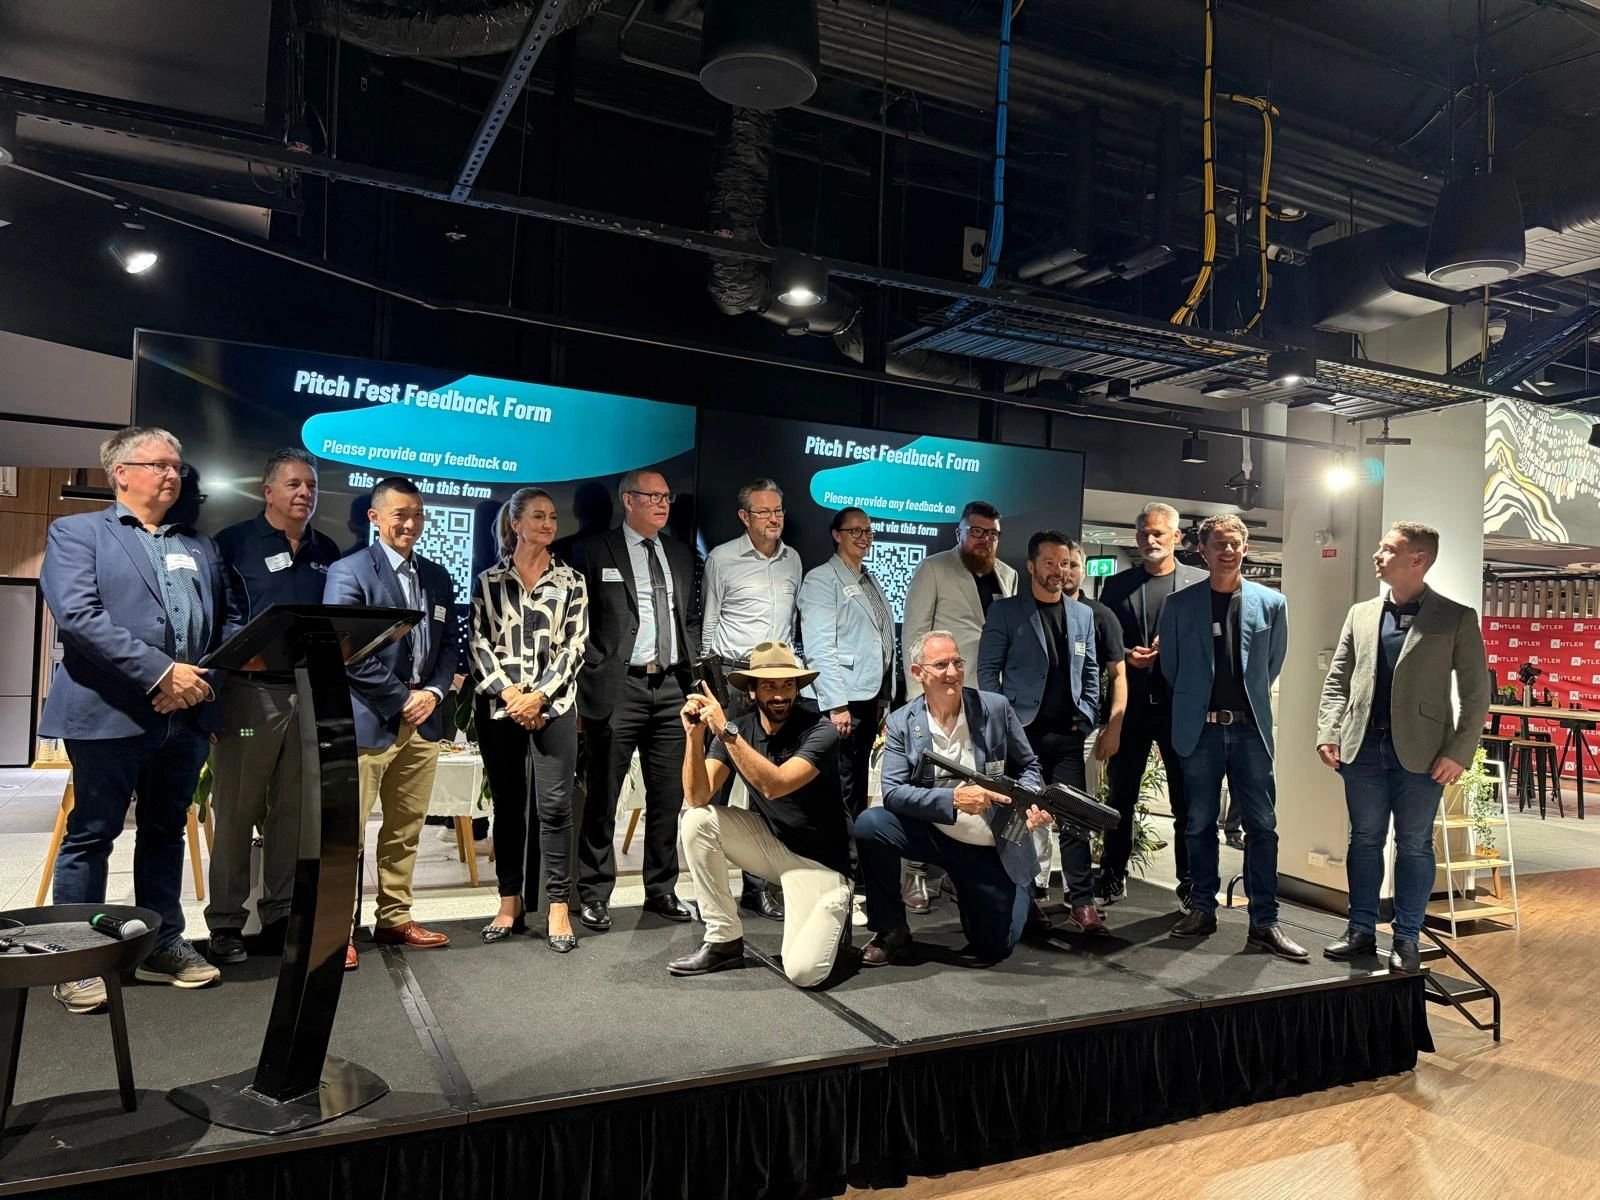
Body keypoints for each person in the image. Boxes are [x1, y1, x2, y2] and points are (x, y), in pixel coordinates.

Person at [40, 426, 228, 1011]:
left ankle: (161, 944)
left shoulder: (199, 545)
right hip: (108, 711)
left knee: (165, 832)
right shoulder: (77, 533)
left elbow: (228, 622)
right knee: (92, 833)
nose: (173, 474)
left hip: (185, 716)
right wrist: (161, 674)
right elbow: (79, 616)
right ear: (121, 473)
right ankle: (77, 959)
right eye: (159, 464)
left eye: (177, 466)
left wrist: (196, 682)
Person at [1317, 522, 1491, 973]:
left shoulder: (1455, 617)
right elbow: (1337, 679)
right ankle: (1360, 929)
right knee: (1364, 840)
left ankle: (1407, 937)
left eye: (1388, 549)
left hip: (1424, 753)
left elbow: (1476, 693)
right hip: (1362, 747)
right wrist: (1328, 731)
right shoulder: (1361, 614)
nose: (1378, 555)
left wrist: (1459, 751)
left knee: (1414, 844)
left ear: (1418, 559)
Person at [204, 448, 341, 964]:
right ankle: (225, 922)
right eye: (293, 484)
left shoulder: (327, 550)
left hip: (307, 691)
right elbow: (217, 618)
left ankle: (281, 913)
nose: (304, 493)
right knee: (236, 812)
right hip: (249, 696)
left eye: (311, 485)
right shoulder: (234, 544)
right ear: (267, 491)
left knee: (293, 812)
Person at [323, 475, 459, 970]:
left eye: (418, 515)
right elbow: (346, 650)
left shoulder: (437, 576)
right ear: (375, 518)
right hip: (371, 720)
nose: (411, 524)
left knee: (405, 830)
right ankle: (337, 931)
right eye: (401, 514)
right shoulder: (349, 571)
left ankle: (394, 917)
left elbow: (450, 645)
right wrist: (402, 699)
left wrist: (434, 693)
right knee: (349, 834)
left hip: (423, 722)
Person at [854, 630, 1053, 966]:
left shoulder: (995, 708)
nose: (952, 672)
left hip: (990, 844)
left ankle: (1018, 889)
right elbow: (894, 792)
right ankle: (891, 929)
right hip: (935, 833)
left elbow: (1029, 766)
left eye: (957, 662)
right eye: (941, 664)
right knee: (871, 825)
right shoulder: (903, 722)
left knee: (993, 948)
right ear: (917, 673)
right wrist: (954, 800)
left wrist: (1029, 804)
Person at [1157, 514, 1305, 960]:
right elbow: (1172, 669)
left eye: (1234, 543)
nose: (1227, 551)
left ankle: (1265, 922)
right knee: (1198, 824)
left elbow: (1271, 665)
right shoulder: (1179, 605)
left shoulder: (1272, 603)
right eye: (1218, 543)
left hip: (1249, 729)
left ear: (1245, 548)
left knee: (1262, 827)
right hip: (1199, 729)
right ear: (1202, 550)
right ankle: (1201, 908)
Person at [671, 643, 854, 987]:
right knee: (696, 820)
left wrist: (726, 732)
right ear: (752, 691)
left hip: (821, 862)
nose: (780, 695)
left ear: (797, 689)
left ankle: (838, 904)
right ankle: (723, 939)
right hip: (773, 845)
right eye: (769, 686)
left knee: (804, 973)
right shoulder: (739, 728)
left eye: (787, 685)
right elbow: (697, 797)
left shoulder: (821, 731)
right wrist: (694, 737)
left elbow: (775, 786)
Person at [572, 468, 700, 930]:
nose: (663, 504)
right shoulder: (594, 551)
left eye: (667, 497)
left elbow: (688, 619)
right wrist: (593, 669)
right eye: (653, 496)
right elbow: (578, 619)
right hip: (617, 687)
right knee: (604, 796)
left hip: (670, 688)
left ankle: (661, 889)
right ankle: (593, 892)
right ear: (628, 500)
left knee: (667, 797)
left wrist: (693, 677)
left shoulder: (680, 553)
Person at [470, 488, 589, 953]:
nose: (547, 524)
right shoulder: (488, 581)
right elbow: (478, 643)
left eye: (553, 517)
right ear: (515, 524)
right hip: (501, 706)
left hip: (553, 707)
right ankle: (509, 902)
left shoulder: (572, 581)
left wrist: (538, 697)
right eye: (538, 516)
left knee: (556, 807)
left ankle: (558, 905)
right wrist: (511, 695)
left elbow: (575, 646)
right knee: (508, 806)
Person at [978, 532, 1104, 934]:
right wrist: (1002, 722)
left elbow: (1090, 670)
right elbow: (987, 672)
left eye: (1065, 563)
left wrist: (1088, 713)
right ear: (1032, 566)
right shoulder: (1005, 612)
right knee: (1020, 818)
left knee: (1075, 819)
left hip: (1068, 734)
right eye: (1050, 563)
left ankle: (1081, 902)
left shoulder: (1082, 614)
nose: (1058, 571)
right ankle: (1026, 898)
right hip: (1022, 735)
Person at [899, 500, 1018, 910]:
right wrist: (917, 701)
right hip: (938, 694)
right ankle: (915, 872)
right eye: (977, 532)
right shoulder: (933, 569)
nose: (984, 540)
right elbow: (914, 634)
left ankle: (958, 871)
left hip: (985, 700)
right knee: (925, 783)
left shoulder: (1008, 576)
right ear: (960, 533)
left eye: (992, 534)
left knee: (978, 784)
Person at [699, 478, 804, 920]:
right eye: (764, 512)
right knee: (718, 788)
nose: (773, 518)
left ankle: (758, 887)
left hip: (775, 682)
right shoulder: (722, 558)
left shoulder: (793, 559)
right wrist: (709, 685)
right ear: (744, 517)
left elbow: (792, 626)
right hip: (730, 676)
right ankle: (713, 894)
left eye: (777, 510)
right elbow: (709, 623)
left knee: (769, 786)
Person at [1097, 502, 1207, 906]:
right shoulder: (1116, 587)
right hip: (1131, 707)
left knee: (1186, 801)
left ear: (1176, 536)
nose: (1150, 540)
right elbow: (1103, 644)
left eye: (1158, 533)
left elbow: (1210, 646)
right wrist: (1128, 655)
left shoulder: (1200, 583)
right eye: (1144, 533)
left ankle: (1190, 883)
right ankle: (1112, 874)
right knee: (1120, 796)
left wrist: (1174, 650)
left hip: (1182, 709)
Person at [797, 507, 895, 817]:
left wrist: (883, 697)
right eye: (855, 531)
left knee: (856, 781)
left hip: (866, 698)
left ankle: (854, 843)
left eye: (868, 531)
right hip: (839, 701)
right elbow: (819, 647)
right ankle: (837, 845)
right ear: (836, 535)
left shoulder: (870, 579)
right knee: (839, 785)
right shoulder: (821, 579)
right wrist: (837, 704)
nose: (864, 537)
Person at [1060, 540, 1127, 805]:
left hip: (1085, 730)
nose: (1066, 571)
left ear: (1084, 570)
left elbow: (1118, 675)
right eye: (1061, 564)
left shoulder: (1101, 616)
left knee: (1080, 808)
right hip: (1036, 729)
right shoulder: (1030, 612)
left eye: (1073, 565)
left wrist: (1114, 728)